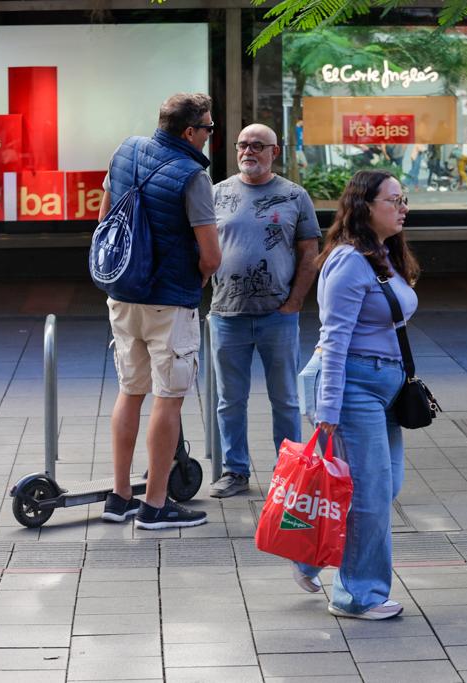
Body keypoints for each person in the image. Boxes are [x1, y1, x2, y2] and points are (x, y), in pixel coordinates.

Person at [293, 169, 418, 620]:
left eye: (404, 200)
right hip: (354, 387)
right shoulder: (348, 260)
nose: (403, 207)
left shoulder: (382, 254)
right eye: (394, 200)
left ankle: (309, 554)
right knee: (369, 491)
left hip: (385, 387)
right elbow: (335, 338)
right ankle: (357, 595)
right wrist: (328, 408)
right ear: (365, 206)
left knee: (385, 487)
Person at [97, 93, 221, 529]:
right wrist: (200, 280)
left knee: (129, 391)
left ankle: (119, 496)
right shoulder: (193, 177)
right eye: (208, 128)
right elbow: (211, 255)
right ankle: (155, 504)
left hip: (124, 295)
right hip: (169, 304)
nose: (209, 135)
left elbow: (106, 217)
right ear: (190, 132)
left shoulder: (125, 150)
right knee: (168, 401)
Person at [207, 124, 321, 497]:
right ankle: (235, 471)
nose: (248, 151)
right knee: (229, 401)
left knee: (286, 399)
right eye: (242, 145)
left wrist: (294, 304)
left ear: (275, 152)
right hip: (227, 315)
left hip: (278, 316)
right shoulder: (216, 194)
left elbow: (309, 254)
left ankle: (289, 473)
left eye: (258, 145)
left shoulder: (294, 195)